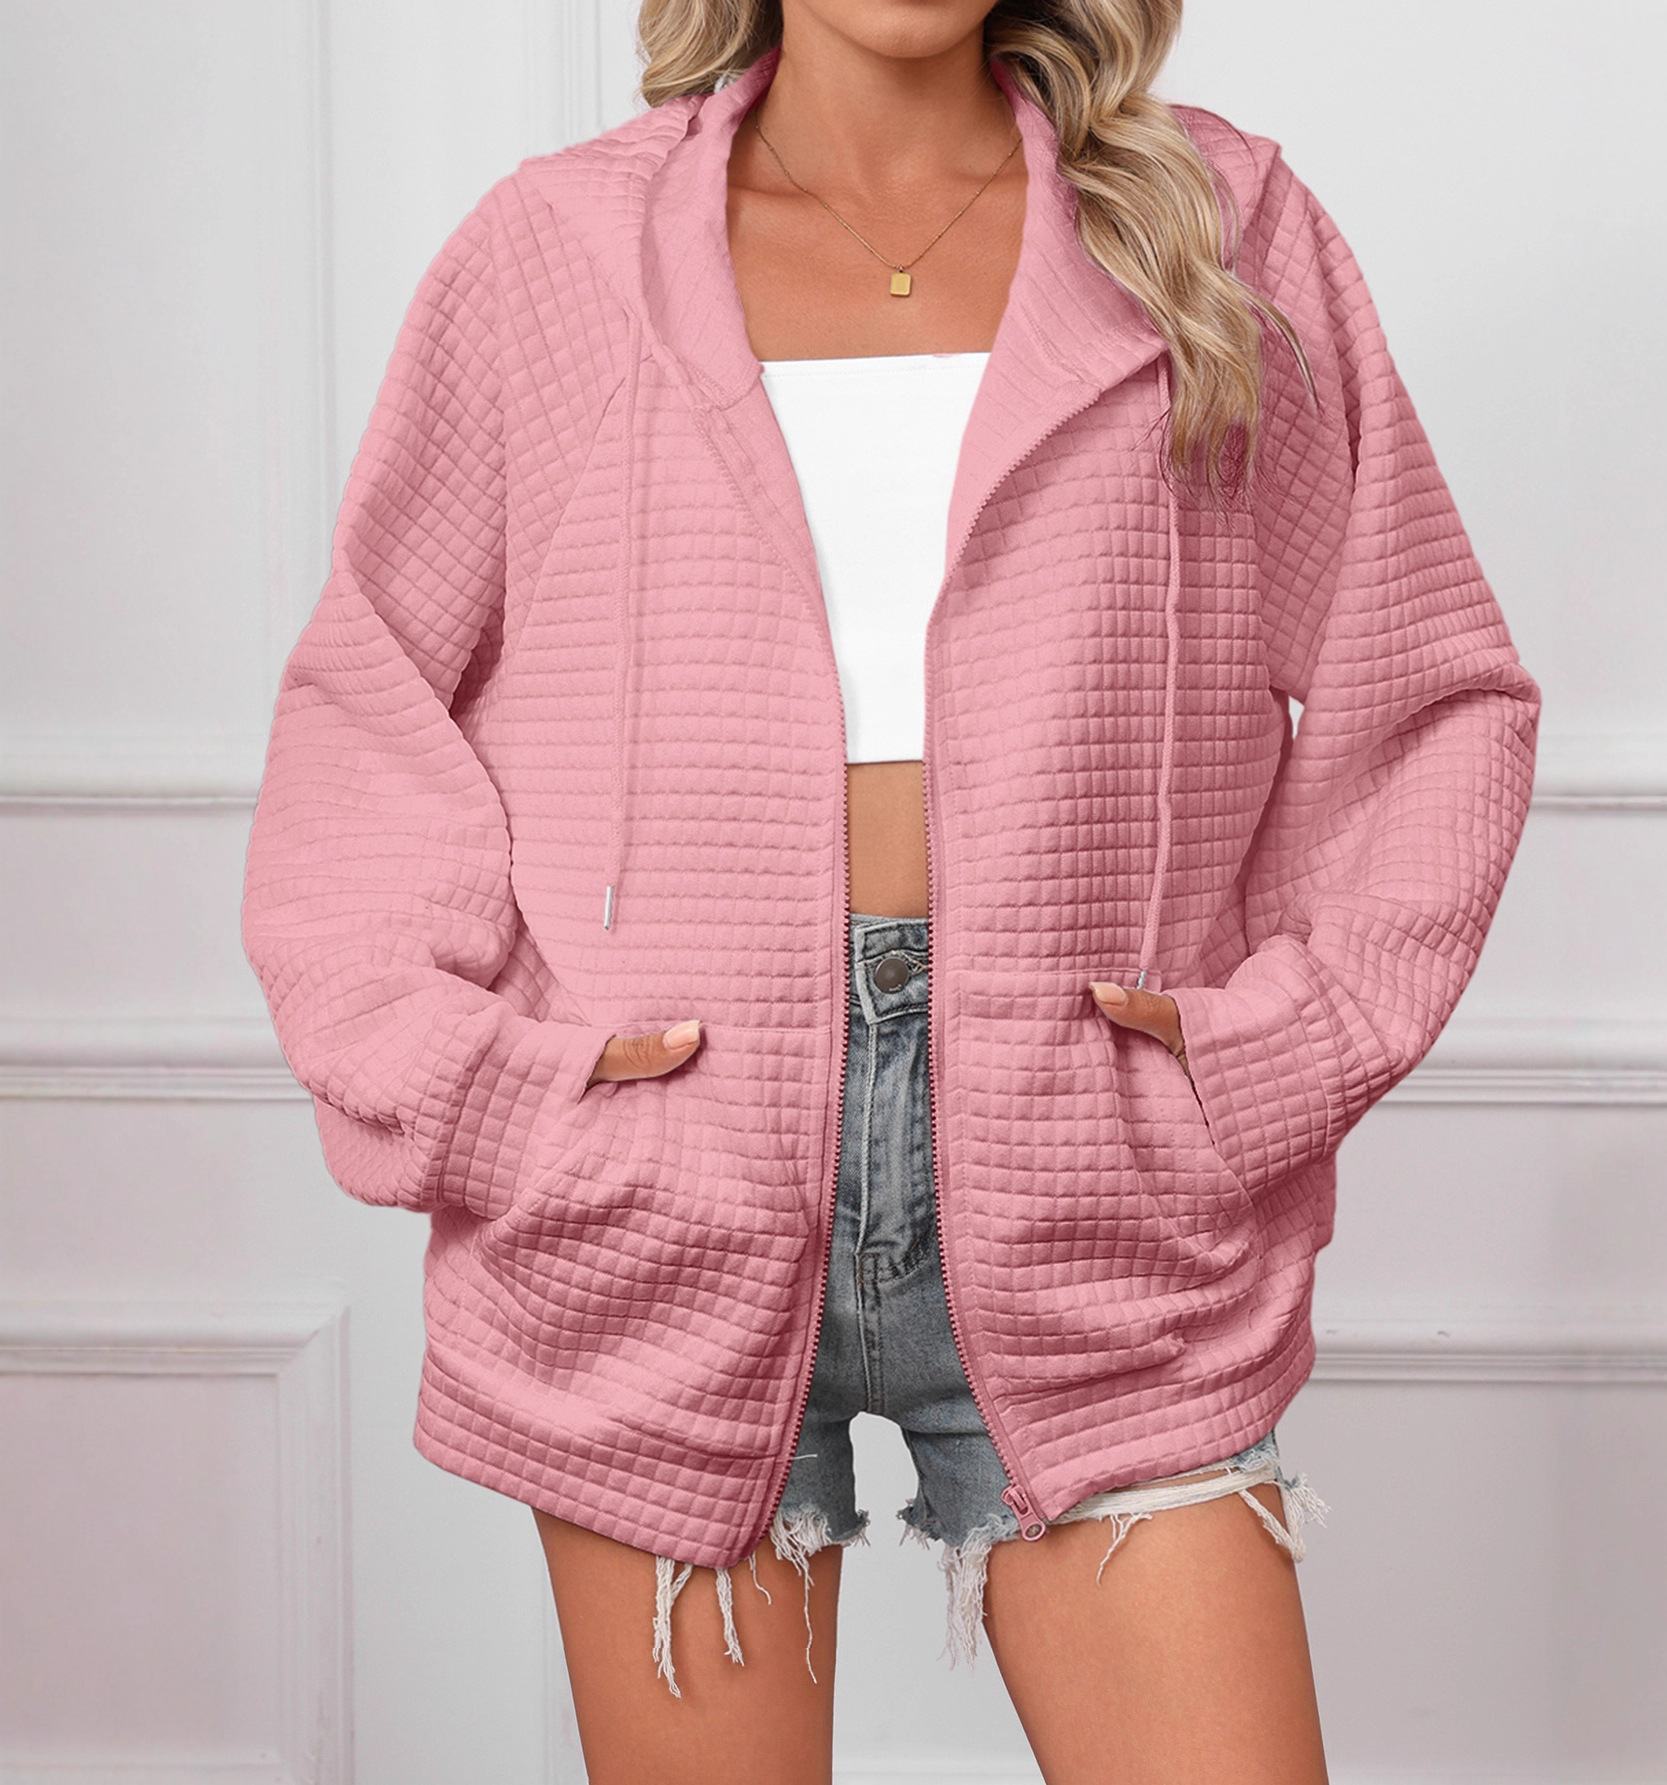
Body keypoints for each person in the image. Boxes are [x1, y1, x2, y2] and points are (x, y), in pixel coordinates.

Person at [240, 0, 1541, 1778]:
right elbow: (367, 717)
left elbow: (1428, 692)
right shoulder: (556, 252)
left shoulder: (1217, 228)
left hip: (1096, 1183)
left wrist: (1265, 1053)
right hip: (662, 1183)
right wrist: (500, 1105)